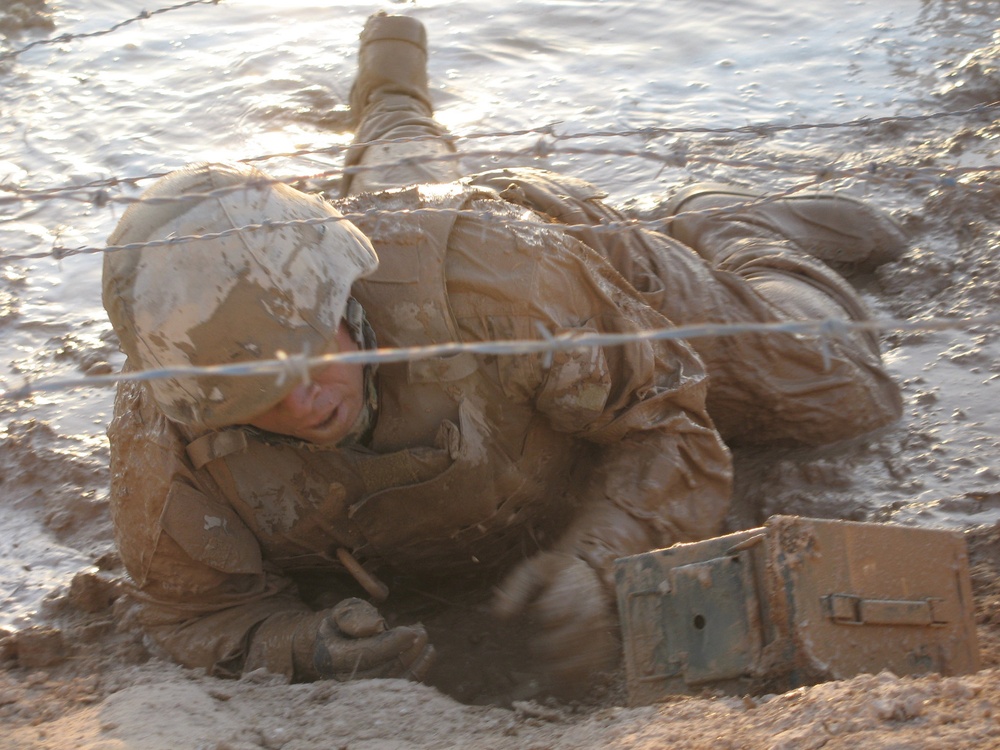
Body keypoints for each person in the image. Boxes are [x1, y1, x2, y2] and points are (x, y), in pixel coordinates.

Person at [101, 12, 904, 693]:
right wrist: (305, 648)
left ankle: (731, 229)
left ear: (342, 299)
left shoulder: (496, 281)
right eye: (260, 401)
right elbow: (194, 611)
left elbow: (669, 424)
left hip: (556, 249)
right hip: (399, 239)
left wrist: (601, 559)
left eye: (309, 362)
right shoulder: (172, 412)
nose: (302, 406)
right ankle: (391, 96)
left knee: (843, 396)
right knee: (406, 189)